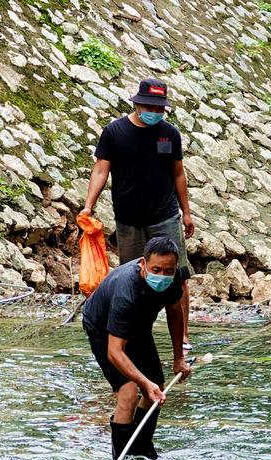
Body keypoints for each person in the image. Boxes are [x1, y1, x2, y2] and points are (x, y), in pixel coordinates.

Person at [81, 78, 195, 350]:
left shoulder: (169, 134)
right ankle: (131, 332)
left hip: (165, 215)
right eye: (150, 107)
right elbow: (100, 170)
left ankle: (182, 336)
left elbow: (178, 174)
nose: (154, 113)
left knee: (176, 275)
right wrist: (88, 205)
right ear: (137, 102)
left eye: (160, 109)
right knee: (133, 275)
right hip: (128, 217)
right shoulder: (115, 132)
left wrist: (186, 212)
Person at [82, 236, 191, 460]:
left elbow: (175, 313)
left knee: (156, 392)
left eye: (168, 271)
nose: (162, 275)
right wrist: (144, 382)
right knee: (129, 393)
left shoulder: (173, 279)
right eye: (156, 270)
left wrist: (178, 359)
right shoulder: (126, 290)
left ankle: (141, 449)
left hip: (139, 327)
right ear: (143, 264)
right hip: (102, 328)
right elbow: (115, 351)